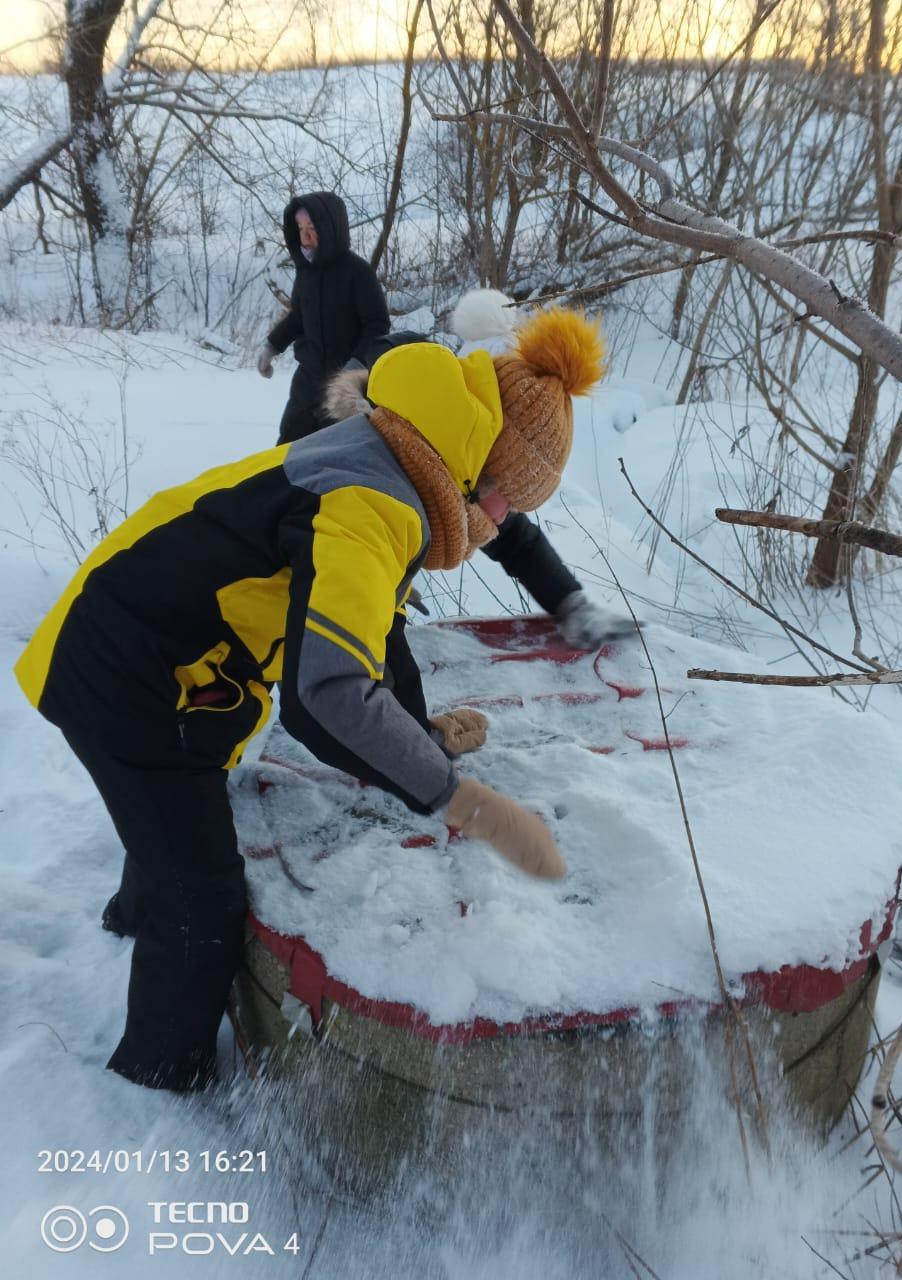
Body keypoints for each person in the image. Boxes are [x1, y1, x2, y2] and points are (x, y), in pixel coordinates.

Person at [14, 306, 605, 1094]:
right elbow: (325, 694)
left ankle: (134, 908)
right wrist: (461, 801)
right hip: (126, 667)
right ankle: (154, 1081)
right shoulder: (374, 503)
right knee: (204, 902)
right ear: (479, 473)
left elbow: (374, 633)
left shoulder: (389, 452)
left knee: (174, 806)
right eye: (509, 504)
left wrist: (416, 734)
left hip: (154, 644)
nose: (503, 526)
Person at [325, 289, 638, 649]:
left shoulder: (458, 470)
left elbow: (518, 539)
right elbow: (340, 653)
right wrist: (386, 587)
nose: (506, 514)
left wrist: (572, 603)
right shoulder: (373, 488)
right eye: (506, 497)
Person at [256, 191, 389, 444]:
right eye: (299, 227)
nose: (304, 235)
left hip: (345, 385)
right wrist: (272, 346)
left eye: (312, 228)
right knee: (290, 443)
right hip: (308, 378)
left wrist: (356, 364)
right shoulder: (305, 271)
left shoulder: (358, 272)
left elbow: (377, 325)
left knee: (338, 450)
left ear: (331, 228)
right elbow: (298, 316)